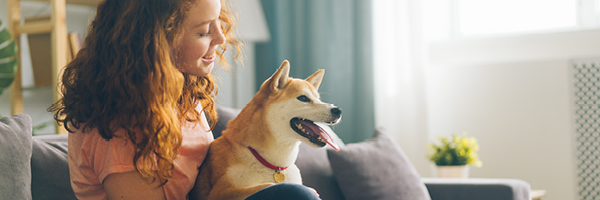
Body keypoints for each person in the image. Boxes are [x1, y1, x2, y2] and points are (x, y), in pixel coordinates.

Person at [48, 0, 320, 199]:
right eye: (203, 32)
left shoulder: (184, 94)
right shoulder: (116, 130)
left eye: (218, 22)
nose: (222, 38)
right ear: (157, 42)